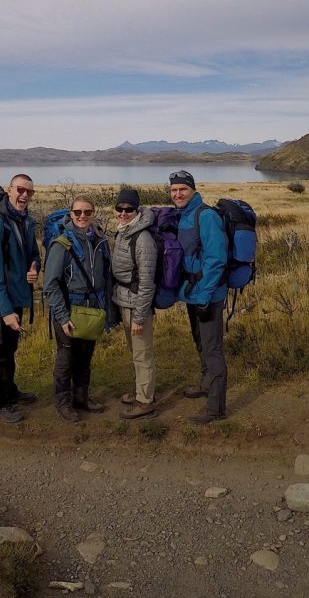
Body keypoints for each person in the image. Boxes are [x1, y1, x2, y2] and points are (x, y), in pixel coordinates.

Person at [43, 195, 112, 423]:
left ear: (93, 214)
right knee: (66, 358)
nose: (82, 216)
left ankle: (81, 397)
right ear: (70, 214)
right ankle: (63, 402)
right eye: (78, 212)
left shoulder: (100, 241)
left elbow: (105, 278)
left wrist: (107, 312)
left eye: (87, 212)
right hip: (69, 311)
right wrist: (62, 317)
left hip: (92, 311)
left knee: (85, 356)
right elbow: (50, 284)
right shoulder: (62, 244)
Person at [170, 170, 229, 425]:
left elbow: (217, 259)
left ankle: (215, 407)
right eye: (173, 190)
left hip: (209, 295)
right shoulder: (184, 215)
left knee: (213, 349)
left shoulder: (206, 216)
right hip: (194, 294)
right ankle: (206, 384)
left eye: (182, 189)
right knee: (200, 342)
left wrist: (205, 296)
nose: (177, 194)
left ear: (193, 190)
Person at [0, 173, 40, 424]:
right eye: (20, 189)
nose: (24, 195)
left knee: (10, 348)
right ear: (9, 190)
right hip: (0, 302)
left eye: (29, 192)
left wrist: (34, 267)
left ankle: (10, 390)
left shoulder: (25, 222)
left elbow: (34, 254)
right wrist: (5, 311)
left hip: (17, 296)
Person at [110, 187, 159, 420]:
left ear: (136, 210)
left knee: (142, 353)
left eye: (128, 209)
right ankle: (142, 390)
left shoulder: (143, 239)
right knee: (135, 351)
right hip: (125, 302)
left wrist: (140, 316)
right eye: (119, 208)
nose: (123, 212)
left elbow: (147, 282)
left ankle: (145, 401)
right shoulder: (124, 232)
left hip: (137, 305)